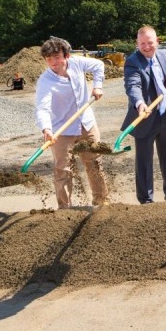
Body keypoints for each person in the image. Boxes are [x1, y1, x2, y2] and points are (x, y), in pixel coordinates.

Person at [35, 37, 110, 208]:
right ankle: (65, 208)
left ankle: (101, 201)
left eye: (56, 57)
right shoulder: (45, 81)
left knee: (94, 162)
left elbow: (99, 65)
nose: (53, 62)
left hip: (86, 124)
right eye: (48, 59)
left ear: (66, 56)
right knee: (63, 170)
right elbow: (42, 108)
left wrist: (98, 86)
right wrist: (46, 129)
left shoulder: (76, 62)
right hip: (61, 131)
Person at [122, 26, 166, 203]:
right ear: (137, 44)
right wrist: (140, 103)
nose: (146, 47)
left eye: (150, 43)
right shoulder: (133, 62)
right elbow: (133, 86)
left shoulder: (163, 55)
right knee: (144, 163)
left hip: (164, 115)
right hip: (144, 118)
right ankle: (146, 201)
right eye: (142, 44)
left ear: (157, 41)